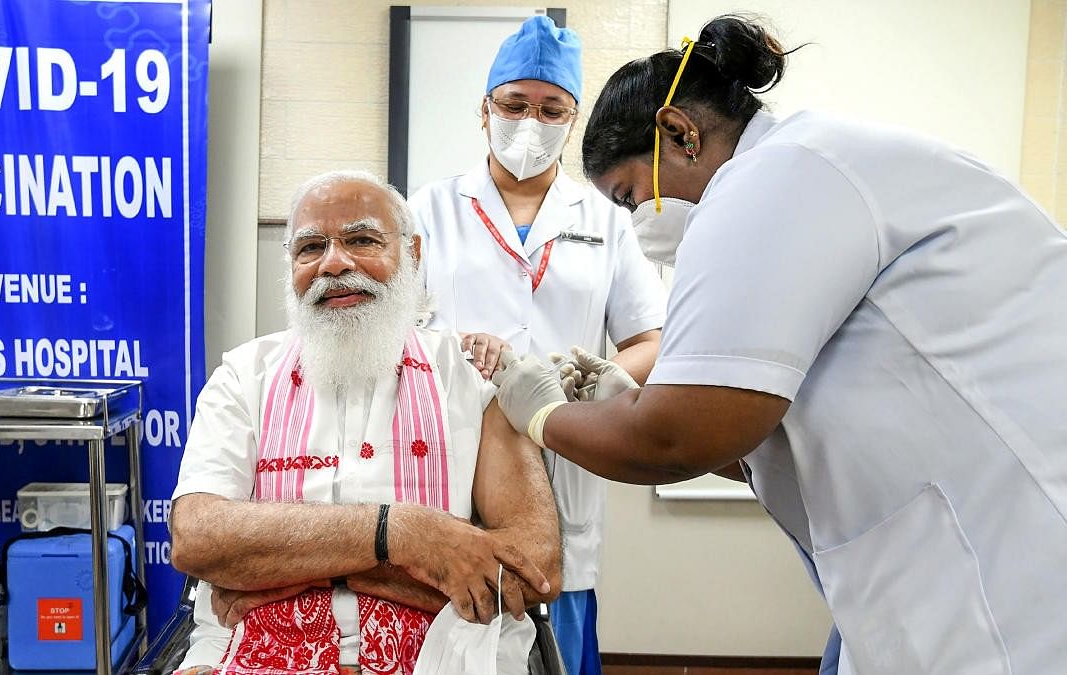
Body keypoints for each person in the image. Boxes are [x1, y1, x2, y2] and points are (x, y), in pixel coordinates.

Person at [490, 13, 1067, 675]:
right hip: (936, 562)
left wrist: (543, 413)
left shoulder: (775, 178)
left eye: (629, 196)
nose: (636, 223)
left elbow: (677, 438)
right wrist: (624, 401)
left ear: (679, 133)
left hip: (1011, 576)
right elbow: (749, 436)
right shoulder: (801, 172)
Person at [169, 170, 562, 675]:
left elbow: (534, 568)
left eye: (361, 239)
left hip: (443, 656)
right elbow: (198, 539)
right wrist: (404, 534)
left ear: (413, 254)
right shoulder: (244, 376)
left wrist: (287, 568)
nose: (334, 264)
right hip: (253, 652)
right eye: (310, 248)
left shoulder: (474, 379)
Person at [407, 16, 667, 674]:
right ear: (484, 110)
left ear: (572, 119)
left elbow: (650, 336)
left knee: (556, 623)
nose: (531, 122)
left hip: (566, 451)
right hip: (453, 451)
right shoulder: (428, 210)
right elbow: (395, 332)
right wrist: (450, 350)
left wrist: (592, 373)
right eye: (514, 104)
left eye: (551, 109)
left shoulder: (607, 220)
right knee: (448, 628)